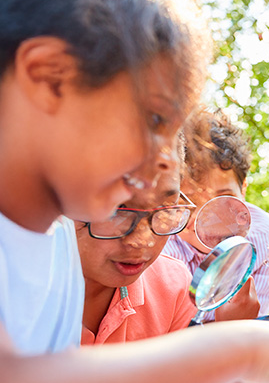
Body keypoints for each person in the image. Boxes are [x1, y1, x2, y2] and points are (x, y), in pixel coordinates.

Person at [0, 0, 269, 383]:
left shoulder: (52, 246)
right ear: (49, 77)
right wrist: (239, 348)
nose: (164, 160)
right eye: (154, 120)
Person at [77, 139, 197, 345]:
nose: (143, 241)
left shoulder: (173, 289)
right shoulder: (10, 292)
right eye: (117, 208)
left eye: (165, 206)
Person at [162, 108, 269, 318]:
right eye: (189, 202)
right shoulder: (160, 245)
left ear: (243, 190)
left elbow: (256, 327)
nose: (208, 217)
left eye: (222, 199)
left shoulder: (267, 239)